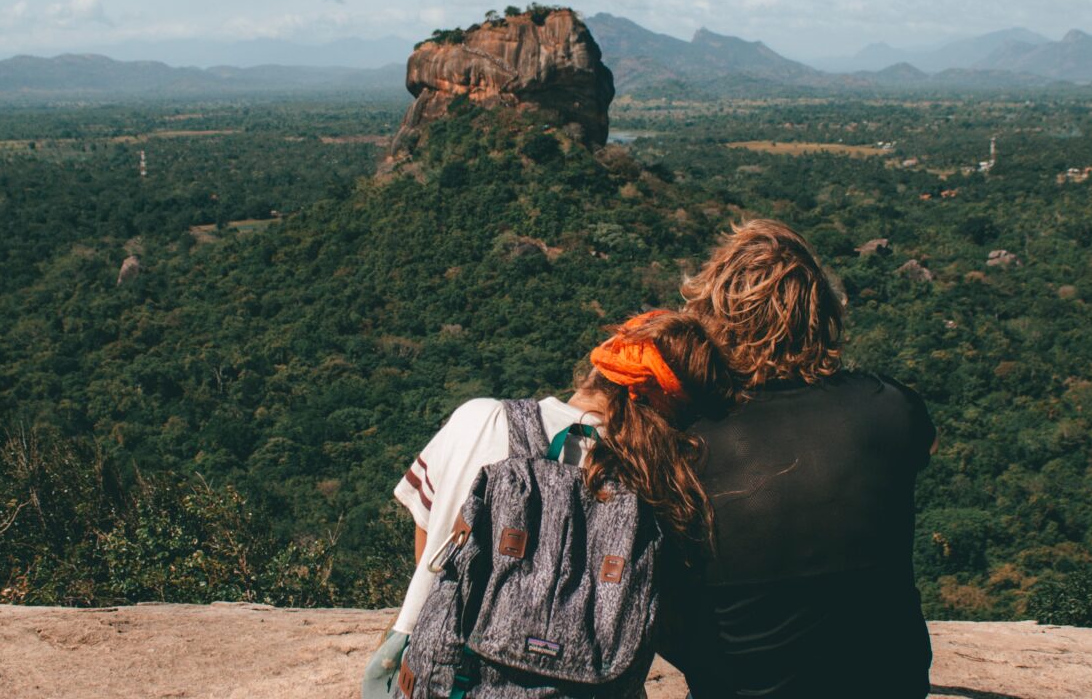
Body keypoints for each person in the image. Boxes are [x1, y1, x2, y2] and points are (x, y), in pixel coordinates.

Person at [362, 310, 735, 699]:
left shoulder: (481, 419)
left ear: (600, 364)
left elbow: (429, 548)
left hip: (445, 679)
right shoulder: (659, 483)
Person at [664, 218, 939, 699]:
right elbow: (924, 450)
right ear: (822, 310)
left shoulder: (687, 443)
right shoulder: (893, 409)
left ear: (711, 318)